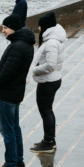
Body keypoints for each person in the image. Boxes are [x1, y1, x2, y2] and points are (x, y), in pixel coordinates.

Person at [0, 14, 35, 167]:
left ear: (13, 28)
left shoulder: (17, 46)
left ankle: (11, 165)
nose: (3, 31)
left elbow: (8, 71)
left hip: (7, 94)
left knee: (7, 130)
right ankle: (18, 160)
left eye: (5, 28)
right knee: (15, 128)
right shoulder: (25, 44)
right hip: (15, 93)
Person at [30, 12, 66, 153]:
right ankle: (49, 140)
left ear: (44, 27)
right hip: (52, 79)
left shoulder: (51, 43)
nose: (38, 29)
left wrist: (34, 70)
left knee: (46, 111)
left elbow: (50, 64)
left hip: (48, 81)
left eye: (39, 26)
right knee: (47, 111)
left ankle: (48, 142)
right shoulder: (54, 39)